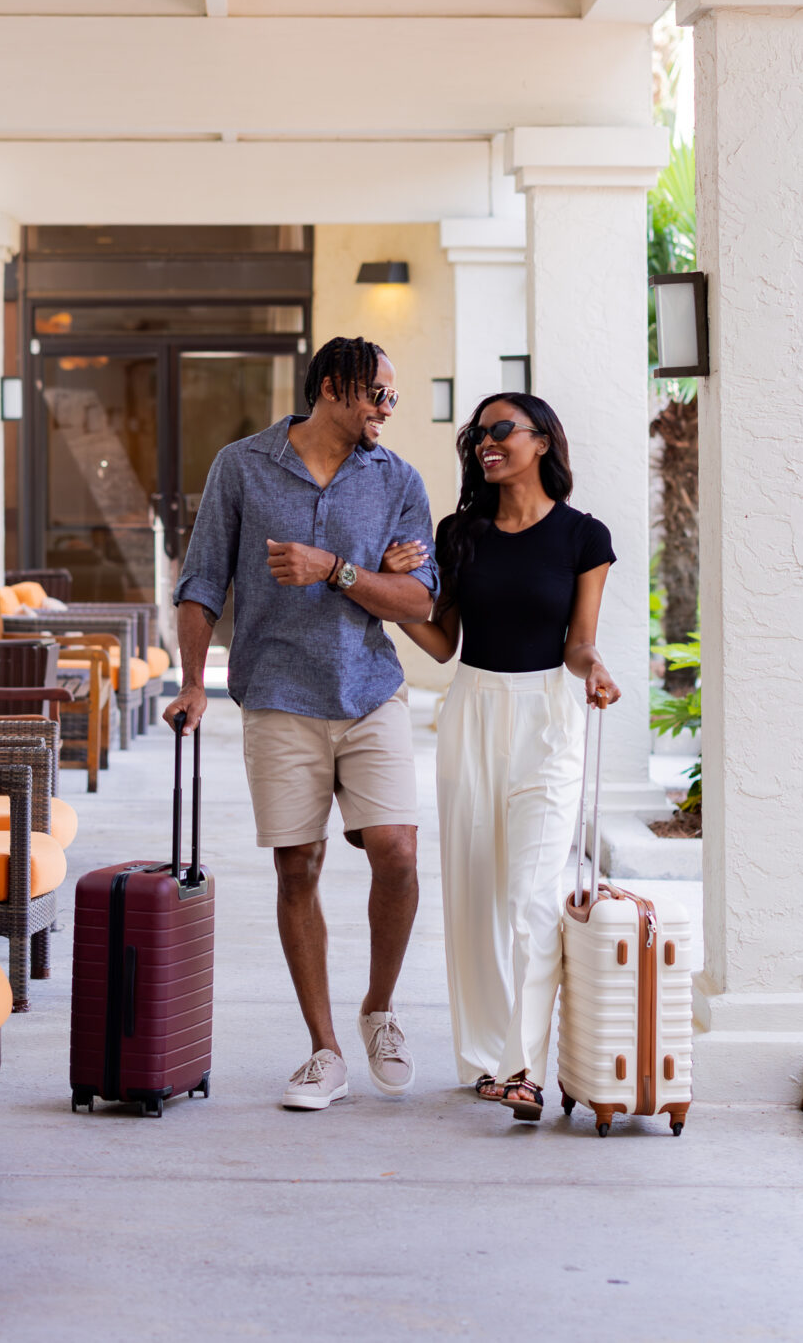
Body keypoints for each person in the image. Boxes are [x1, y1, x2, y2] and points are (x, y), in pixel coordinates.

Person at [165, 336, 439, 1111]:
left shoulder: (398, 481)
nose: (386, 408)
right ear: (330, 387)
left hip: (370, 690)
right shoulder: (243, 466)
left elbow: (420, 601)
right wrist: (192, 682)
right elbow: (202, 579)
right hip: (278, 694)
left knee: (397, 851)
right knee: (299, 869)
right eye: (376, 394)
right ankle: (324, 1050)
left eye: (392, 397)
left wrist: (340, 570)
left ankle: (379, 1007)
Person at [383, 392, 619, 1121]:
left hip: (549, 715)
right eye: (478, 435)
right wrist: (391, 596)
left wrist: (596, 669)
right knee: (475, 893)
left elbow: (578, 641)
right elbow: (444, 640)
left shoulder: (585, 537)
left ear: (543, 440)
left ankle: (525, 1066)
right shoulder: (462, 532)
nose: (486, 443)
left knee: (530, 899)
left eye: (501, 430)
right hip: (472, 712)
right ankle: (485, 1059)